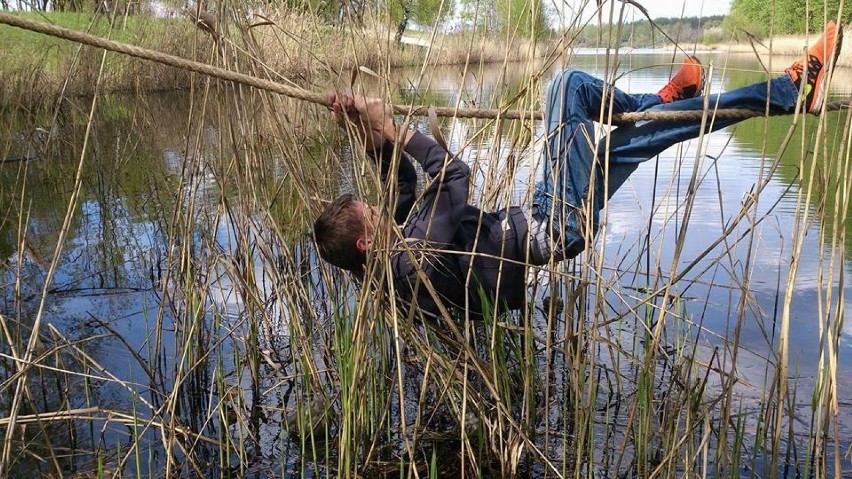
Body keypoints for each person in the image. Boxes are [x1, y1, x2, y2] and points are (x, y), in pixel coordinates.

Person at [313, 21, 843, 320]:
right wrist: (396, 126)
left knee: (637, 137)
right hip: (554, 226)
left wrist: (362, 129)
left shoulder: (390, 261)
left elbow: (403, 183)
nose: (380, 209)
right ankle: (784, 90)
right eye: (370, 213)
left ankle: (697, 97)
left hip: (547, 222)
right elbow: (453, 174)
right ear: (364, 242)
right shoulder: (416, 260)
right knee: (565, 87)